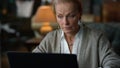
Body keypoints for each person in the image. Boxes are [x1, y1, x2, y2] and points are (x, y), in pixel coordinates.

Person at [32, 0, 120, 68]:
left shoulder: (97, 38)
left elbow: (113, 60)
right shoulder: (50, 38)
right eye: (60, 16)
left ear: (80, 14)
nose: (65, 22)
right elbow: (34, 60)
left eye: (71, 16)